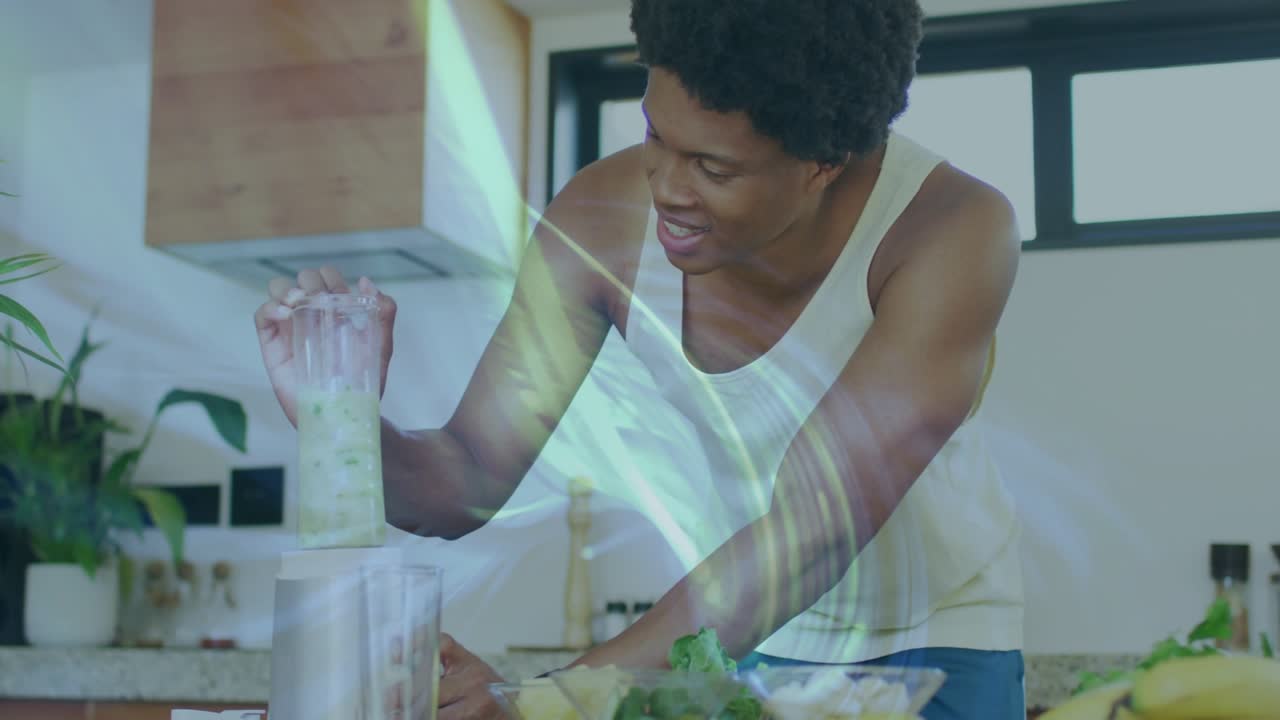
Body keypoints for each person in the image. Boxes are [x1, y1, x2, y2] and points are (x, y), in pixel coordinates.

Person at [254, 1, 1025, 718]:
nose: (666, 187)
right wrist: (338, 417)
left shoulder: (951, 230)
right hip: (729, 642)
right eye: (655, 134)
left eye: (714, 169)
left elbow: (811, 529)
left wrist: (542, 702)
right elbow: (466, 477)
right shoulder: (599, 218)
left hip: (935, 644)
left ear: (825, 161)